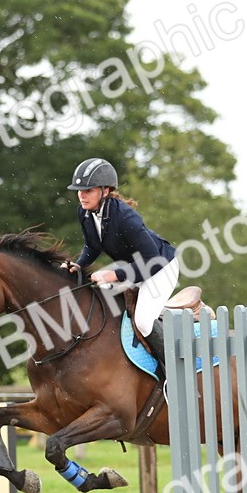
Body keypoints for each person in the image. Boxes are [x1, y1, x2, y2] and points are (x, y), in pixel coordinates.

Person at [61, 158, 179, 373]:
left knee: (143, 321)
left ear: (105, 191)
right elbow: (92, 245)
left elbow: (152, 260)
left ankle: (174, 370)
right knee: (98, 298)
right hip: (134, 266)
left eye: (88, 190)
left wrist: (113, 275)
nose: (82, 195)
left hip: (161, 267)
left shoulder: (125, 217)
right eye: (79, 190)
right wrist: (79, 265)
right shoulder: (85, 213)